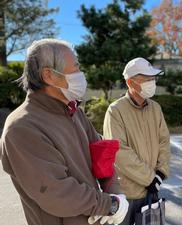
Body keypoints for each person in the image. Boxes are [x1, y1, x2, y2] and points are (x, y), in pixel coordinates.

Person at [0, 38, 128, 225]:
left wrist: (115, 193)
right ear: (49, 75)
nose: (81, 74)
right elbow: (55, 191)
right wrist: (109, 205)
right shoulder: (23, 127)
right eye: (76, 68)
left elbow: (101, 153)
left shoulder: (73, 111)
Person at [103, 57, 171, 225]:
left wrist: (160, 173)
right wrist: (150, 178)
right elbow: (119, 152)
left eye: (153, 78)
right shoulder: (116, 110)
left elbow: (164, 141)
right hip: (126, 192)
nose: (152, 82)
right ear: (131, 82)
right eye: (147, 79)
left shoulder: (155, 108)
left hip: (151, 191)